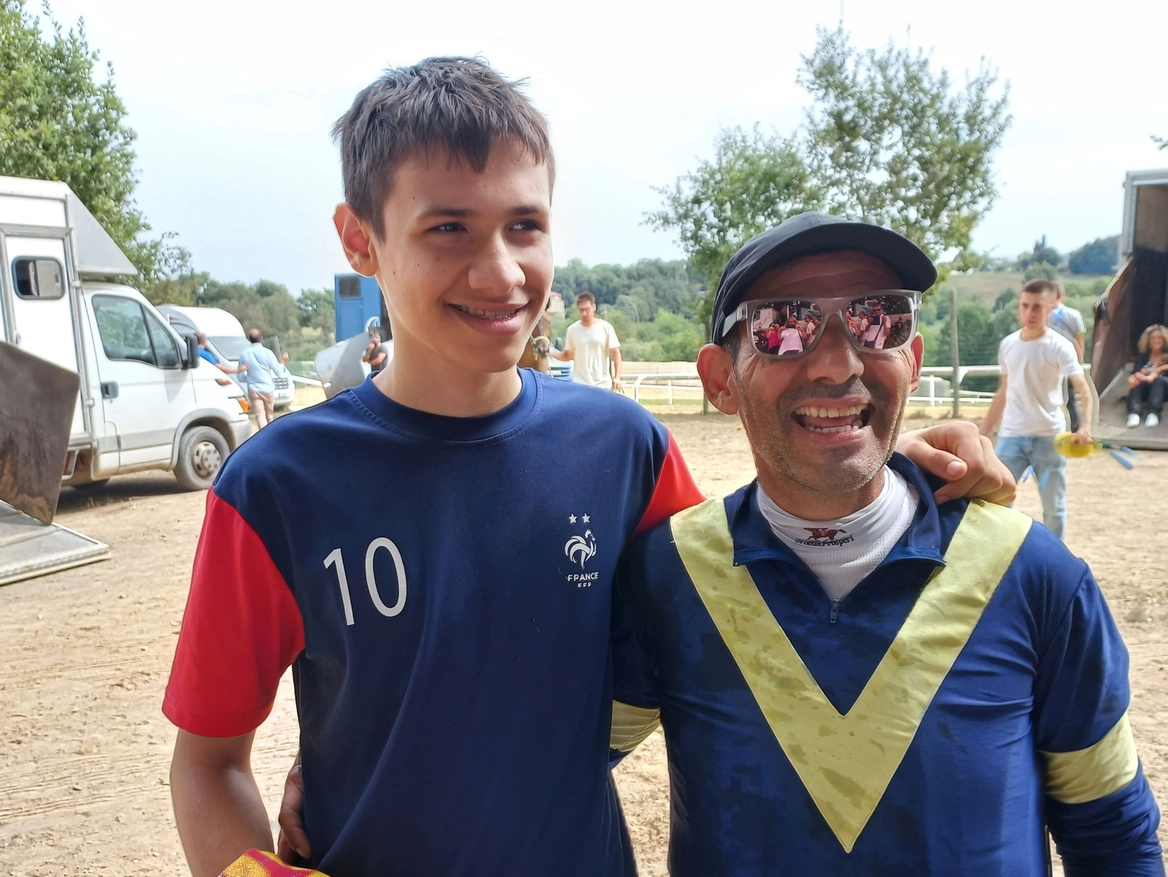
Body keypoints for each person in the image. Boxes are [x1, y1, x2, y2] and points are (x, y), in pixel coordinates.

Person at [169, 58, 1013, 877]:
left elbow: (748, 580)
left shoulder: (622, 449)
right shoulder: (275, 485)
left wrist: (883, 462)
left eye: (523, 225)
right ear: (361, 238)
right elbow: (209, 765)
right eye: (448, 227)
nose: (500, 269)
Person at [609, 213, 1163, 875]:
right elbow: (541, 773)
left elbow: (1113, 836)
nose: (839, 361)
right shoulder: (669, 575)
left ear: (913, 358)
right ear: (720, 378)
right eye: (783, 325)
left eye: (880, 319)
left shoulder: (1033, 574)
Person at [980, 279, 1095, 542]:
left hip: (1049, 437)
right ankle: (998, 555)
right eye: (1024, 306)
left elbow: (1083, 388)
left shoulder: (1060, 346)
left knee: (1054, 507)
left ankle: (1056, 564)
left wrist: (1085, 426)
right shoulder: (1008, 344)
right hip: (1011, 436)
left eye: (1037, 307)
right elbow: (1003, 391)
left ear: (1051, 308)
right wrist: (985, 430)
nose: (1029, 313)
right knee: (996, 502)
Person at [550, 291, 623, 390]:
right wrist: (549, 352)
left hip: (602, 384)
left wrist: (617, 377)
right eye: (581, 310)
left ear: (594, 307)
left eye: (587, 309)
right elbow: (567, 356)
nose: (584, 313)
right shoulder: (572, 330)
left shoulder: (606, 328)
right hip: (580, 384)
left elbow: (616, 354)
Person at [1047, 281, 1087, 430]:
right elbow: (1080, 343)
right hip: (1069, 363)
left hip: (1048, 363)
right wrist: (1078, 364)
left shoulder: (1043, 316)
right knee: (1071, 399)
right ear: (1062, 294)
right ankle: (1076, 429)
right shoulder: (1075, 314)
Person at [1126, 325, 1168, 428]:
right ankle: (1134, 413)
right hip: (1146, 387)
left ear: (1165, 340)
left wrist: (1155, 372)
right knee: (1137, 381)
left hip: (1165, 388)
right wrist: (1134, 378)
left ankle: (1154, 413)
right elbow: (1136, 371)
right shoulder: (1143, 355)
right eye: (1153, 338)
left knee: (1158, 380)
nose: (1156, 340)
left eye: (1159, 338)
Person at [237, 328, 285, 431]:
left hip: (254, 388)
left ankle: (263, 436)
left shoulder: (244, 354)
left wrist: (249, 377)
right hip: (268, 388)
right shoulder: (268, 353)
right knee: (270, 416)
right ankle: (272, 434)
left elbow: (240, 376)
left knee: (259, 415)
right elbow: (279, 372)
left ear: (250, 339)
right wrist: (283, 362)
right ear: (261, 339)